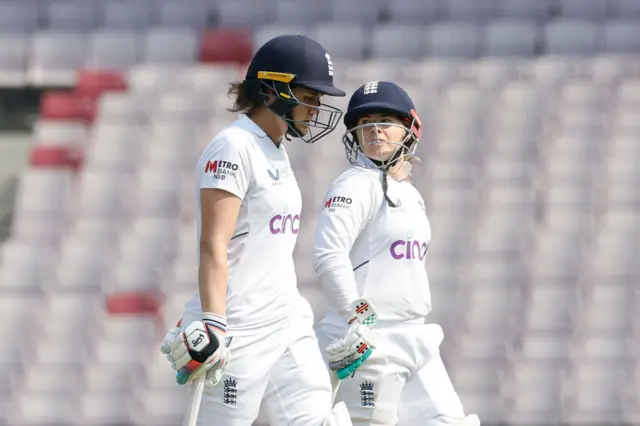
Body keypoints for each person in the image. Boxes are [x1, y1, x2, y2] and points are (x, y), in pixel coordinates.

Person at [160, 35, 353, 426]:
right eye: (309, 96)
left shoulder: (275, 148)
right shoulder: (233, 146)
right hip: (238, 332)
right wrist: (214, 321)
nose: (316, 109)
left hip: (286, 321)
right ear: (272, 90)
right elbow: (214, 243)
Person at [313, 81, 481, 426]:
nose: (374, 130)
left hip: (414, 336)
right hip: (370, 340)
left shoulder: (409, 193)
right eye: (365, 122)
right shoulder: (355, 184)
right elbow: (328, 254)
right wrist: (356, 317)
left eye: (386, 121)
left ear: (410, 128)